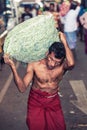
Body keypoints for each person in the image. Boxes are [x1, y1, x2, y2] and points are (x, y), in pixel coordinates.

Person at [4, 32, 74, 130]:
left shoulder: (63, 66)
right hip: (36, 100)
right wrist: (12, 66)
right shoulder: (35, 65)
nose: (52, 64)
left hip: (53, 100)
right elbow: (22, 88)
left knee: (60, 127)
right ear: (47, 53)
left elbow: (71, 63)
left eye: (57, 62)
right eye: (50, 59)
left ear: (62, 60)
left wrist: (64, 41)